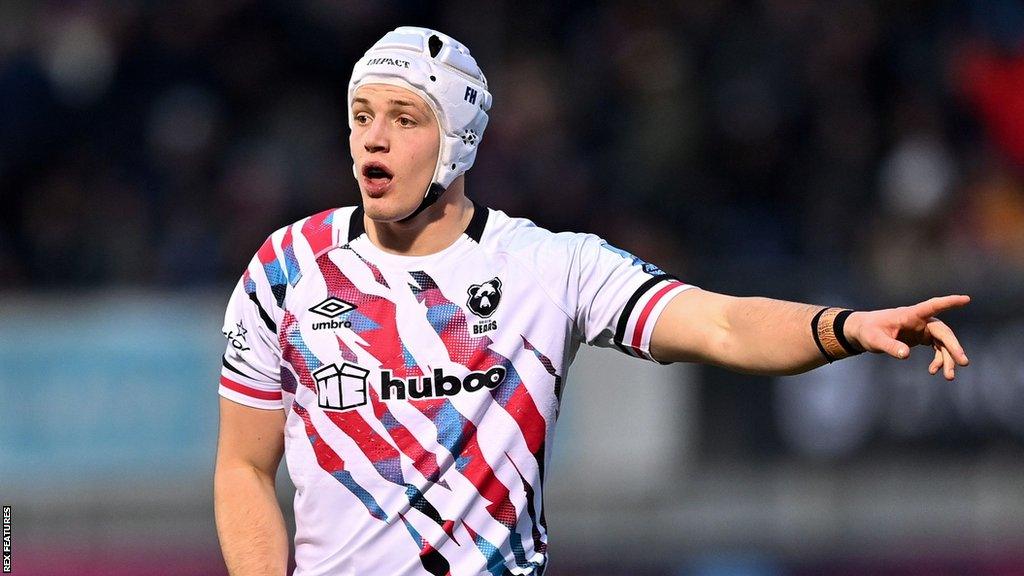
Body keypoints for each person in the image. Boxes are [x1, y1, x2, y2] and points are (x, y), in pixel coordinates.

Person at [213, 26, 970, 576]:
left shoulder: (552, 266)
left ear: (459, 142)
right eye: (362, 114)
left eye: (404, 118)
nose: (372, 139)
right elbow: (245, 467)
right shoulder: (285, 269)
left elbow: (722, 322)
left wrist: (843, 326)